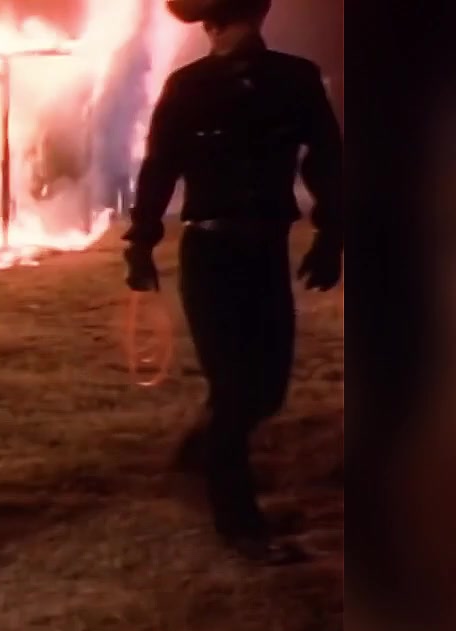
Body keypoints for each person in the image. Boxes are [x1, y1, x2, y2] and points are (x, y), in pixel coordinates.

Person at [121, 0, 343, 563]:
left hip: (265, 252)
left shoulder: (294, 80)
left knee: (267, 388)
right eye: (224, 23)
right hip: (211, 255)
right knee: (236, 390)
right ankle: (240, 524)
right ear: (210, 26)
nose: (229, 33)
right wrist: (140, 244)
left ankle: (204, 459)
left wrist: (331, 234)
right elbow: (159, 168)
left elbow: (326, 159)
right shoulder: (189, 87)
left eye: (239, 19)